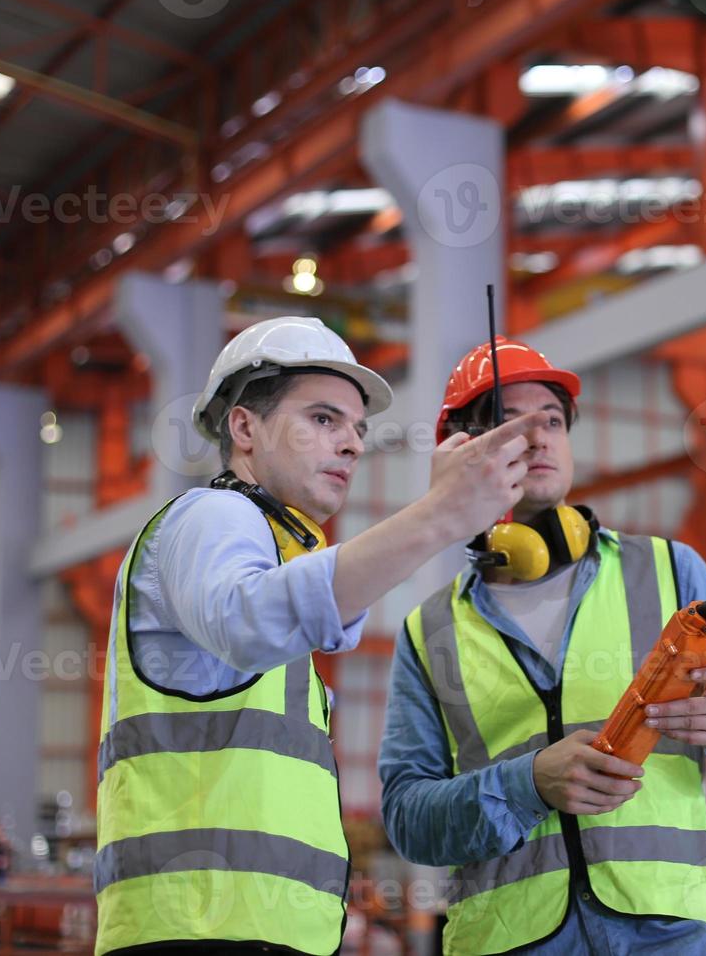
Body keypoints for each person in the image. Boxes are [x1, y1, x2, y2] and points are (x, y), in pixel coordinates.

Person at [95, 317, 549, 955]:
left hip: (262, 933)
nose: (353, 445)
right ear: (245, 427)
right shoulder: (210, 516)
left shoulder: (272, 552)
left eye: (358, 429)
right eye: (323, 419)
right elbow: (246, 620)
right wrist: (440, 514)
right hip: (197, 930)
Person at [379, 337, 706, 955]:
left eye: (550, 420)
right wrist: (527, 785)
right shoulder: (430, 629)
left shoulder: (672, 573)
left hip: (671, 935)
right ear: (462, 450)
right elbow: (409, 820)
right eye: (508, 422)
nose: (539, 437)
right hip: (510, 942)